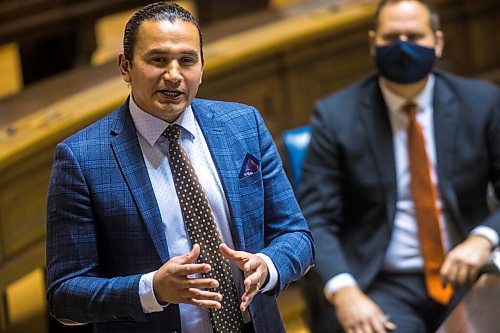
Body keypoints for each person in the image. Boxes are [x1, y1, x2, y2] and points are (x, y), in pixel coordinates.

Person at [45, 2, 314, 333]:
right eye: (157, 60)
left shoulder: (244, 125)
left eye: (187, 60)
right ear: (125, 67)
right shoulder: (82, 159)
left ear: (201, 68)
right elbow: (64, 294)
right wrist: (153, 289)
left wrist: (269, 266)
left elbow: (296, 234)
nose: (173, 75)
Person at [299, 0, 500, 332]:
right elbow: (316, 218)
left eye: (414, 36)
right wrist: (344, 290)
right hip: (381, 283)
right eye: (391, 37)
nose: (403, 47)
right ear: (372, 43)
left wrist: (483, 238)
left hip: (470, 271)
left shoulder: (481, 103)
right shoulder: (335, 117)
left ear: (437, 43)